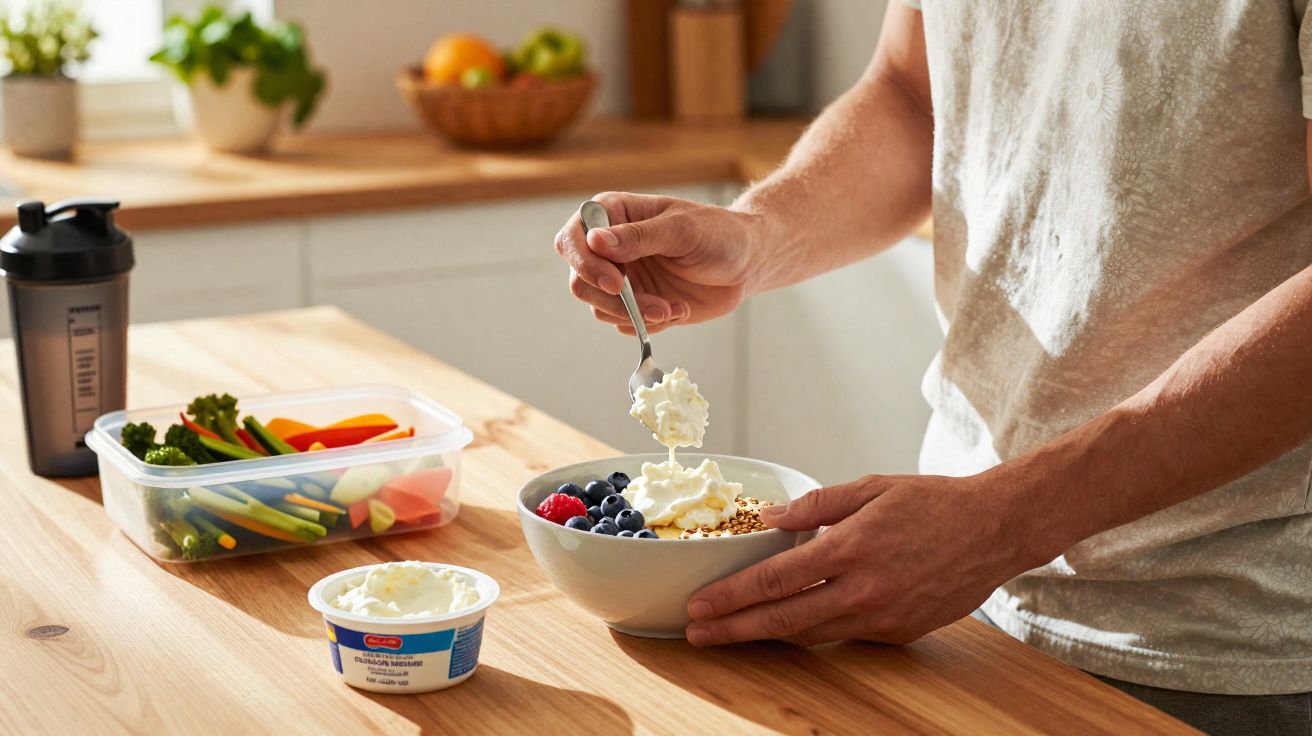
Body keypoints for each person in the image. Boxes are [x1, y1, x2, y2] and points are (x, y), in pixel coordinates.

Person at [554, 2, 1312, 734]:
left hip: (1212, 648)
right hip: (952, 596)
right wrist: (760, 239)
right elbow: (912, 92)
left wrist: (1006, 520)